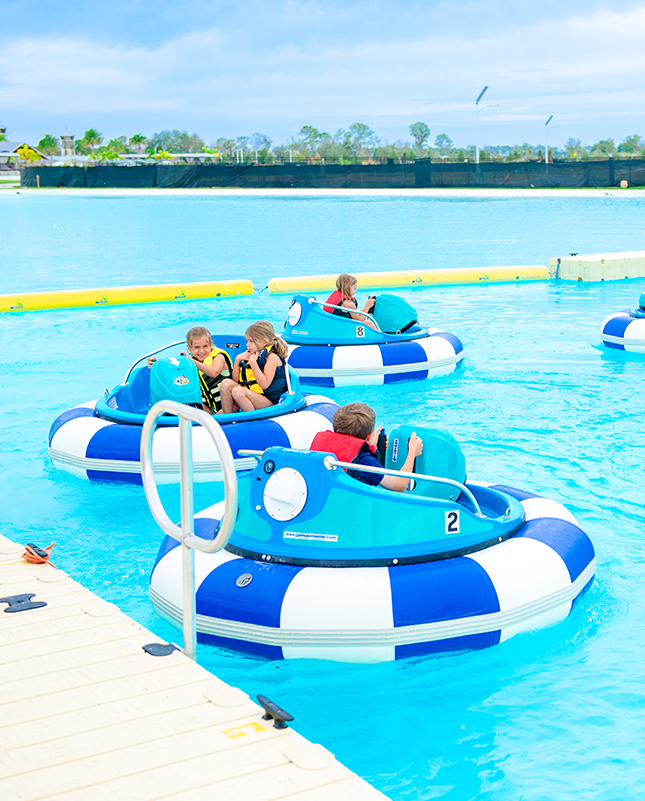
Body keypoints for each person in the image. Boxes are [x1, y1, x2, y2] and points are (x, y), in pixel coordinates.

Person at [310, 402, 422, 492]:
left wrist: (371, 446)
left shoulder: (322, 448)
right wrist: (412, 452)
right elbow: (399, 485)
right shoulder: (365, 462)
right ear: (369, 434)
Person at [148, 326, 232, 414]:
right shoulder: (189, 363)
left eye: (205, 346)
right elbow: (173, 372)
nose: (201, 351)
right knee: (184, 405)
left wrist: (192, 361)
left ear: (211, 344)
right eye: (197, 347)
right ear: (189, 348)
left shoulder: (218, 356)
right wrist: (156, 365)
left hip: (227, 405)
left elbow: (214, 372)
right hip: (208, 406)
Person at [219, 320, 289, 413]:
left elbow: (264, 385)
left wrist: (253, 363)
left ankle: (250, 419)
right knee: (226, 383)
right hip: (252, 395)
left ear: (264, 342)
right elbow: (236, 382)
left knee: (238, 391)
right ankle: (228, 418)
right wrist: (237, 360)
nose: (247, 344)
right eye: (247, 341)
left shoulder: (272, 358)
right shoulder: (253, 354)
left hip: (269, 402)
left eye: (251, 341)